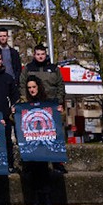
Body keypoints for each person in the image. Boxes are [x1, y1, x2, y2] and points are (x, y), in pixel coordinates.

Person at [19, 44, 67, 173]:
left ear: (46, 55)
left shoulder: (54, 68)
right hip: (33, 105)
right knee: (35, 134)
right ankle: (32, 162)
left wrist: (59, 101)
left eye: (42, 54)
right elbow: (23, 85)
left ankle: (58, 162)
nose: (40, 56)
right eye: (38, 54)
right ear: (34, 55)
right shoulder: (28, 68)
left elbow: (60, 85)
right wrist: (24, 101)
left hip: (51, 104)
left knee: (55, 134)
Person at [14, 76, 56, 205]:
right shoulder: (22, 101)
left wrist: (59, 111)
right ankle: (36, 198)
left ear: (38, 87)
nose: (32, 90)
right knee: (33, 170)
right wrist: (13, 112)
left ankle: (47, 197)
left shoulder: (47, 101)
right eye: (29, 88)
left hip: (44, 141)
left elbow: (56, 117)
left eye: (34, 87)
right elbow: (14, 118)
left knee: (44, 169)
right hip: (30, 141)